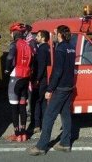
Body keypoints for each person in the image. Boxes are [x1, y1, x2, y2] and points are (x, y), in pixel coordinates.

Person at [28, 25, 76, 155]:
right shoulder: (71, 47)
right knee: (66, 115)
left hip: (60, 88)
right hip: (69, 86)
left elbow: (57, 71)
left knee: (49, 116)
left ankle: (41, 146)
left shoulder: (60, 49)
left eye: (56, 32)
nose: (54, 34)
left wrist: (50, 89)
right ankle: (65, 143)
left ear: (60, 34)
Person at [5, 22, 33, 142]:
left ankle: (17, 134)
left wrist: (7, 69)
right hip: (26, 76)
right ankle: (24, 133)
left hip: (15, 77)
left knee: (14, 107)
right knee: (22, 106)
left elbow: (10, 57)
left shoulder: (14, 44)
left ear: (14, 33)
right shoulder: (28, 44)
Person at [31, 30, 50, 134]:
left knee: (37, 101)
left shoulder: (42, 49)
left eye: (38, 36)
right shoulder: (48, 48)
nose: (36, 38)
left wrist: (37, 79)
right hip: (46, 78)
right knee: (43, 102)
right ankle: (45, 123)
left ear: (43, 38)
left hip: (41, 79)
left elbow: (41, 66)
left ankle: (37, 125)